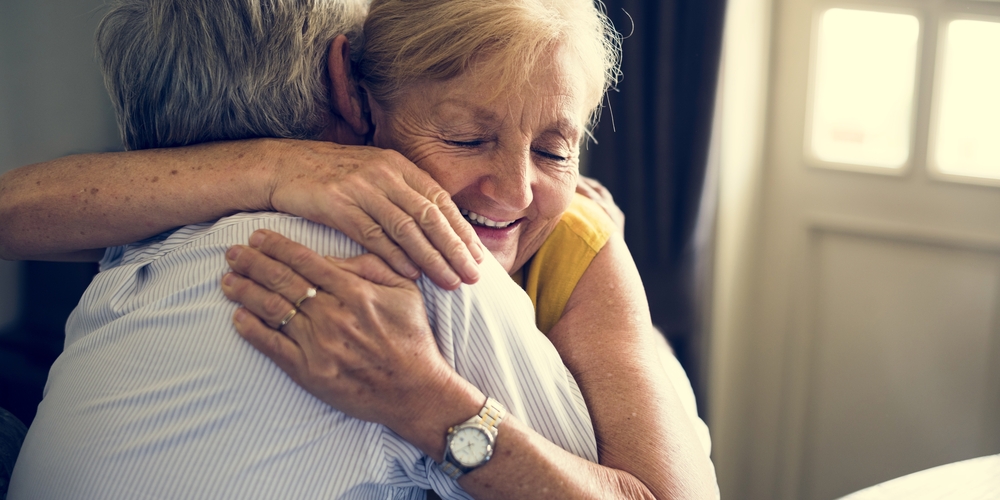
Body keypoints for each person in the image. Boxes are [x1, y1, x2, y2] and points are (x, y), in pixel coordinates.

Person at [4, 0, 719, 497]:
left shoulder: (130, 242)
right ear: (363, 99)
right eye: (467, 138)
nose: (517, 193)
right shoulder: (409, 253)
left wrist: (426, 401)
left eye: (557, 151)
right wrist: (277, 167)